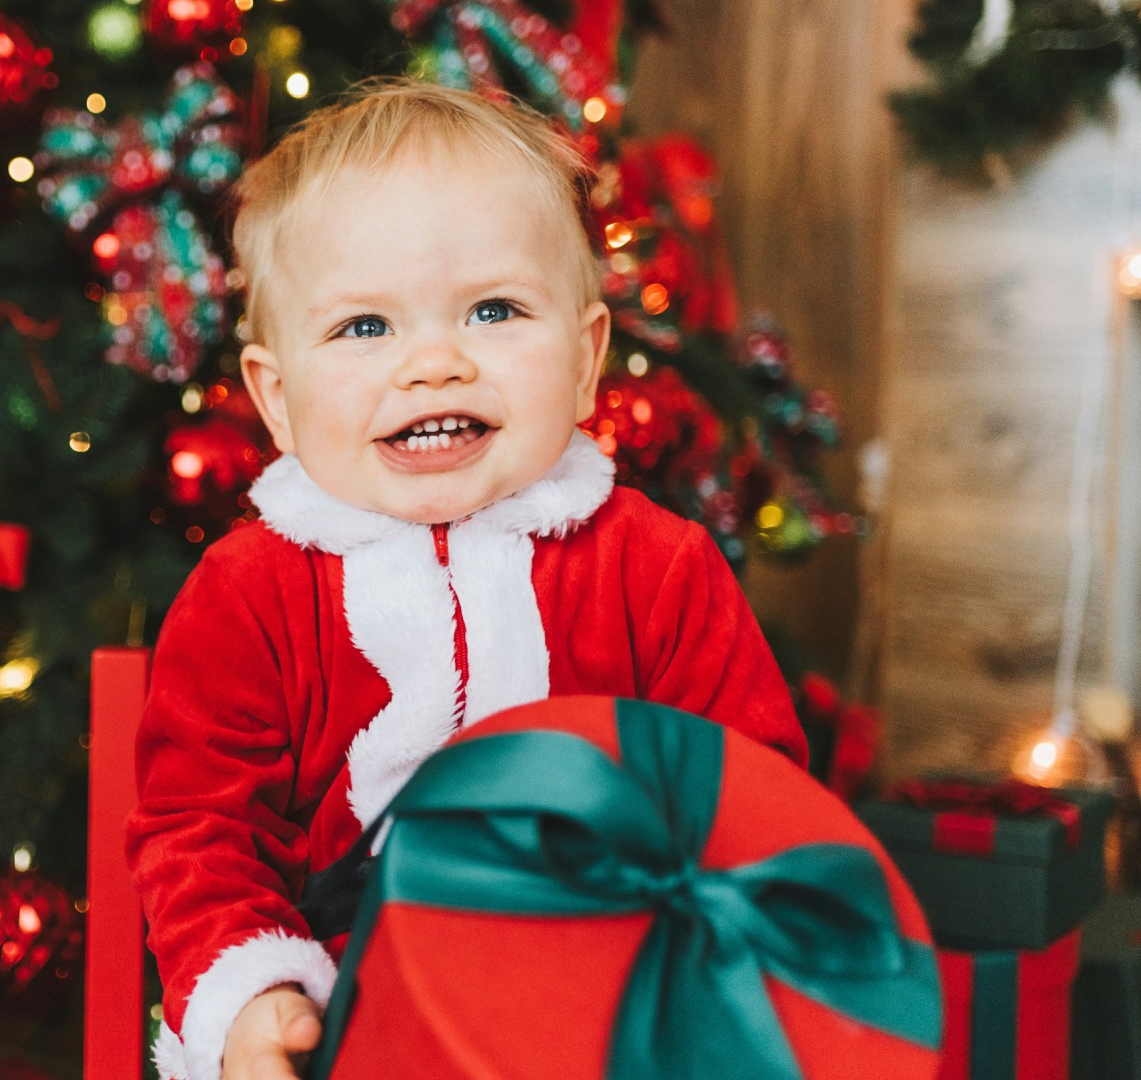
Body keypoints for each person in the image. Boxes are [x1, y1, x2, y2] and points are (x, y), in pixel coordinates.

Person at [125, 80, 807, 1080]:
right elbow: (203, 834)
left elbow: (751, 801)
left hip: (609, 1006)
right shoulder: (250, 592)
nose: (435, 363)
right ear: (276, 398)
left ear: (585, 363)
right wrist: (254, 995)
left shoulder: (656, 569)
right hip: (354, 1015)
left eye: (494, 310)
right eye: (366, 327)